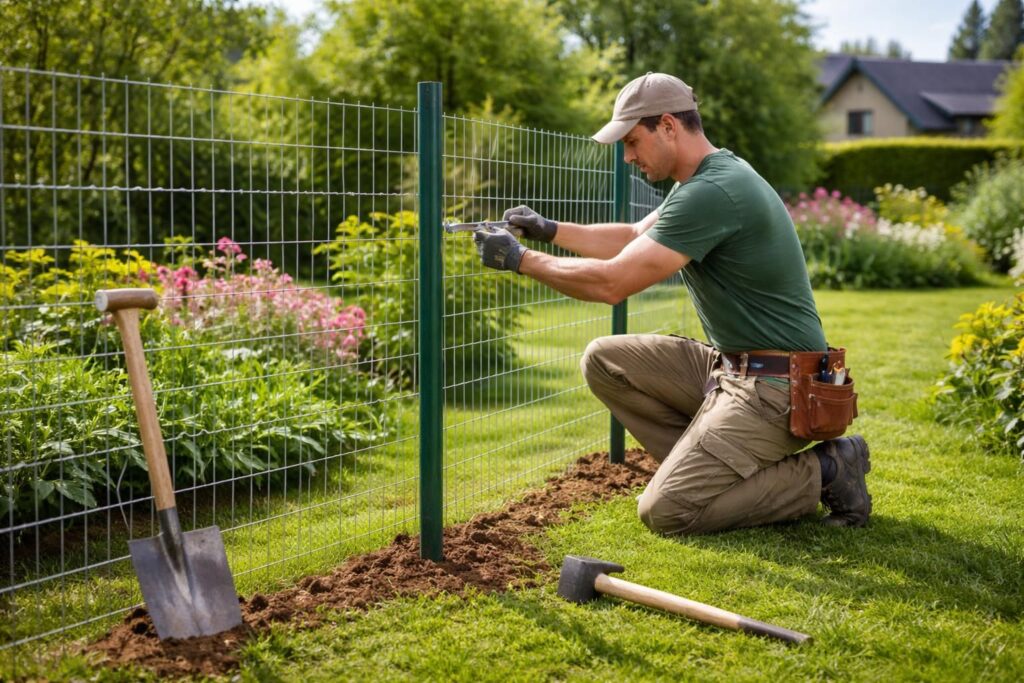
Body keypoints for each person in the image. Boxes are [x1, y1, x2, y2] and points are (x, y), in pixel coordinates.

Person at [473, 72, 871, 536]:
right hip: (734, 369)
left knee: (666, 512)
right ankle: (704, 465)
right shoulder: (701, 181)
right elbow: (628, 239)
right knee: (605, 360)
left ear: (667, 126)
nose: (628, 156)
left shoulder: (714, 192)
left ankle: (826, 469)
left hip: (778, 388)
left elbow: (613, 282)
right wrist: (549, 229)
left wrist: (520, 259)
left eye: (633, 141)